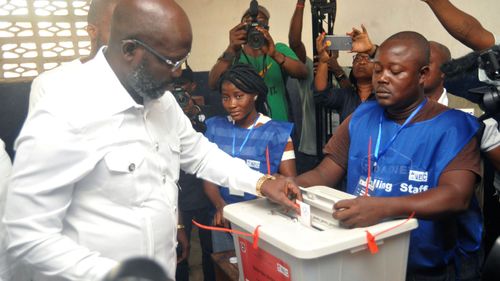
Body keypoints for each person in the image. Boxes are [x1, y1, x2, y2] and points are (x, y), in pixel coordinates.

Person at [3, 1, 301, 280]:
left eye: (183, 60)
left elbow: (201, 155)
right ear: (130, 49)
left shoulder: (162, 102)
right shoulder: (65, 109)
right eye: (171, 61)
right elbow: (26, 235)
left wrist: (262, 182)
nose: (178, 73)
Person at [296, 31, 482, 281]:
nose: (382, 79)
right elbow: (324, 172)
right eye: (378, 70)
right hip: (365, 254)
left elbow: (456, 196)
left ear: (423, 75)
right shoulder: (362, 116)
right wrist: (292, 185)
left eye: (395, 72)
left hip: (428, 266)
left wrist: (383, 208)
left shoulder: (454, 125)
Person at [204, 64, 296, 252]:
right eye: (225, 97)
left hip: (263, 222)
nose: (231, 104)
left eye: (239, 96)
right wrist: (221, 206)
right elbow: (208, 176)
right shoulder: (214, 128)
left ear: (254, 95)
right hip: (223, 220)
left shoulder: (277, 133)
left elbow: (290, 181)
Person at [207, 4, 307, 122]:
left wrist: (275, 54)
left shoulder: (278, 49)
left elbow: (303, 72)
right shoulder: (234, 56)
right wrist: (231, 48)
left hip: (279, 127)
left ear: (267, 27)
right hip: (247, 131)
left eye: (261, 22)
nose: (255, 27)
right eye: (248, 22)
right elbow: (213, 84)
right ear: (241, 27)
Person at [28, 0, 120, 116]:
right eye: (118, 30)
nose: (128, 38)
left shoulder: (143, 81)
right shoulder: (51, 84)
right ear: (92, 31)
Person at [175, 65, 215, 281]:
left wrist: (193, 111)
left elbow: (208, 145)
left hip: (201, 192)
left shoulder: (202, 114)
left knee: (209, 248)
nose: (179, 94)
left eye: (182, 88)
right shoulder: (161, 115)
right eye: (174, 89)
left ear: (192, 87)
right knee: (178, 249)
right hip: (177, 195)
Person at [314, 32, 375, 124]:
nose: (361, 62)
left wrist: (372, 49)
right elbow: (322, 95)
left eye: (367, 59)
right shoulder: (346, 96)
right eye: (357, 59)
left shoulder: (385, 96)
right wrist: (323, 60)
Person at [425, 41, 482, 116]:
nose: (419, 68)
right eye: (416, 63)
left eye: (426, 62)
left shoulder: (470, 111)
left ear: (445, 70)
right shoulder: (404, 109)